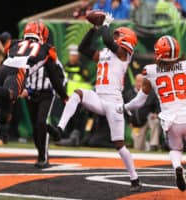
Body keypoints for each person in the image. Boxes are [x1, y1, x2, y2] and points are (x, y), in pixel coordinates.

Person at [49, 13, 142, 192]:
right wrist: (94, 29)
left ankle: (134, 179)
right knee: (77, 94)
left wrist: (105, 24)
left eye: (118, 35)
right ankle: (59, 129)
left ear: (126, 39)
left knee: (119, 145)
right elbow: (84, 48)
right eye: (114, 35)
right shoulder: (106, 53)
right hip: (99, 98)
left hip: (114, 102)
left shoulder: (124, 53)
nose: (114, 37)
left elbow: (108, 41)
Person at [121, 35, 186, 195]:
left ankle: (177, 166)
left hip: (171, 120)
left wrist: (125, 107)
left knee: (175, 150)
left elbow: (139, 101)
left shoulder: (150, 72)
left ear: (158, 53)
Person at [0, 20, 68, 148]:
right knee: (11, 94)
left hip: (3, 69)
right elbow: (55, 78)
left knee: (5, 116)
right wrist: (64, 95)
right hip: (17, 71)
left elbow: (8, 52)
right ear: (42, 34)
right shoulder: (47, 49)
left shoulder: (14, 43)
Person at [21, 57, 66, 168]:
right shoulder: (26, 58)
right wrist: (23, 88)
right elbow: (20, 74)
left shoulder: (51, 58)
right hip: (31, 94)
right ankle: (52, 132)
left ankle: (43, 157)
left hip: (46, 94)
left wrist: (56, 90)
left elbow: (62, 77)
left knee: (41, 121)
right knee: (36, 126)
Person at [55, 44, 92, 147]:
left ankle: (76, 139)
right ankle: (65, 138)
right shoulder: (65, 67)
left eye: (74, 56)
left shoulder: (82, 69)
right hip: (66, 99)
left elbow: (87, 85)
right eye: (71, 56)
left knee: (77, 120)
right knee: (67, 119)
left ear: (78, 57)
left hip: (78, 100)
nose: (72, 58)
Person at [123, 73, 161, 151]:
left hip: (148, 120)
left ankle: (153, 144)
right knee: (138, 148)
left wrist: (156, 113)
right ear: (135, 82)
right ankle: (147, 146)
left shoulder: (151, 93)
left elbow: (158, 105)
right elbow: (124, 109)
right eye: (138, 81)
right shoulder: (128, 94)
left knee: (154, 120)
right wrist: (129, 121)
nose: (139, 83)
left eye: (141, 81)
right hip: (136, 125)